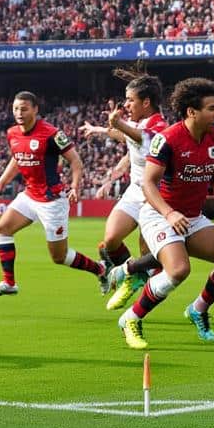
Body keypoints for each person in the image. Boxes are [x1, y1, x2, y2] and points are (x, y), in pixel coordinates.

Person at [114, 78, 214, 349]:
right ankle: (131, 318)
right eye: (211, 108)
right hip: (159, 214)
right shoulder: (168, 139)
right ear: (191, 112)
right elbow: (148, 183)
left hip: (193, 218)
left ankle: (198, 309)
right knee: (178, 270)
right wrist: (170, 213)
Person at [0, 91, 104, 297]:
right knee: (3, 228)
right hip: (30, 195)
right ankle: (9, 282)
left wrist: (75, 187)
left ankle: (101, 270)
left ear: (35, 109)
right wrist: (1, 182)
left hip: (52, 201)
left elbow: (76, 162)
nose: (19, 113)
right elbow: (17, 158)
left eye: (24, 109)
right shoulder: (12, 133)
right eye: (15, 109)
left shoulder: (51, 134)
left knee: (59, 257)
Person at [80, 65, 167, 277]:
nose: (126, 104)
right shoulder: (135, 123)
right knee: (110, 240)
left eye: (130, 100)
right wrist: (100, 130)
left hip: (155, 196)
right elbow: (125, 136)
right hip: (135, 191)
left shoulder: (160, 126)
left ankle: (148, 287)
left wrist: (118, 123)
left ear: (146, 103)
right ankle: (134, 276)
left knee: (150, 254)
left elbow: (142, 137)